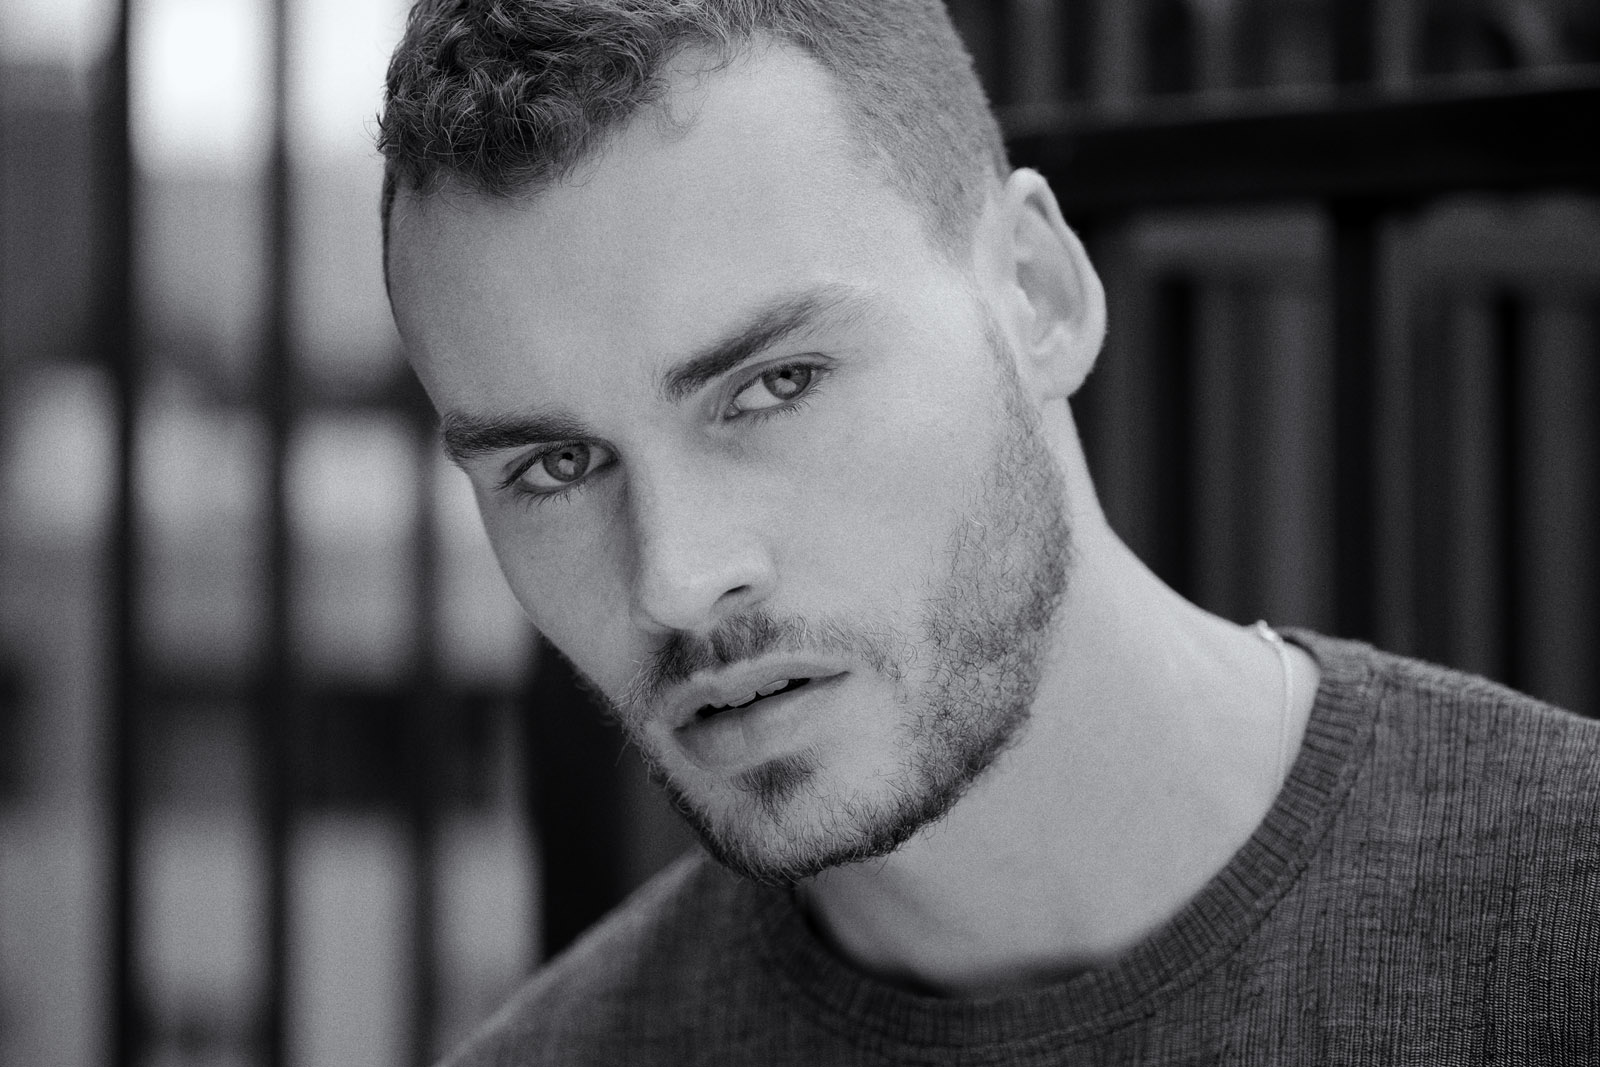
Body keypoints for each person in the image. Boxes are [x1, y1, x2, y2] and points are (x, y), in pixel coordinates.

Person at [377, 1, 1600, 1062]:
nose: (679, 577)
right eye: (555, 464)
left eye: (774, 384)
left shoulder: (1559, 923)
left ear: (1036, 291)